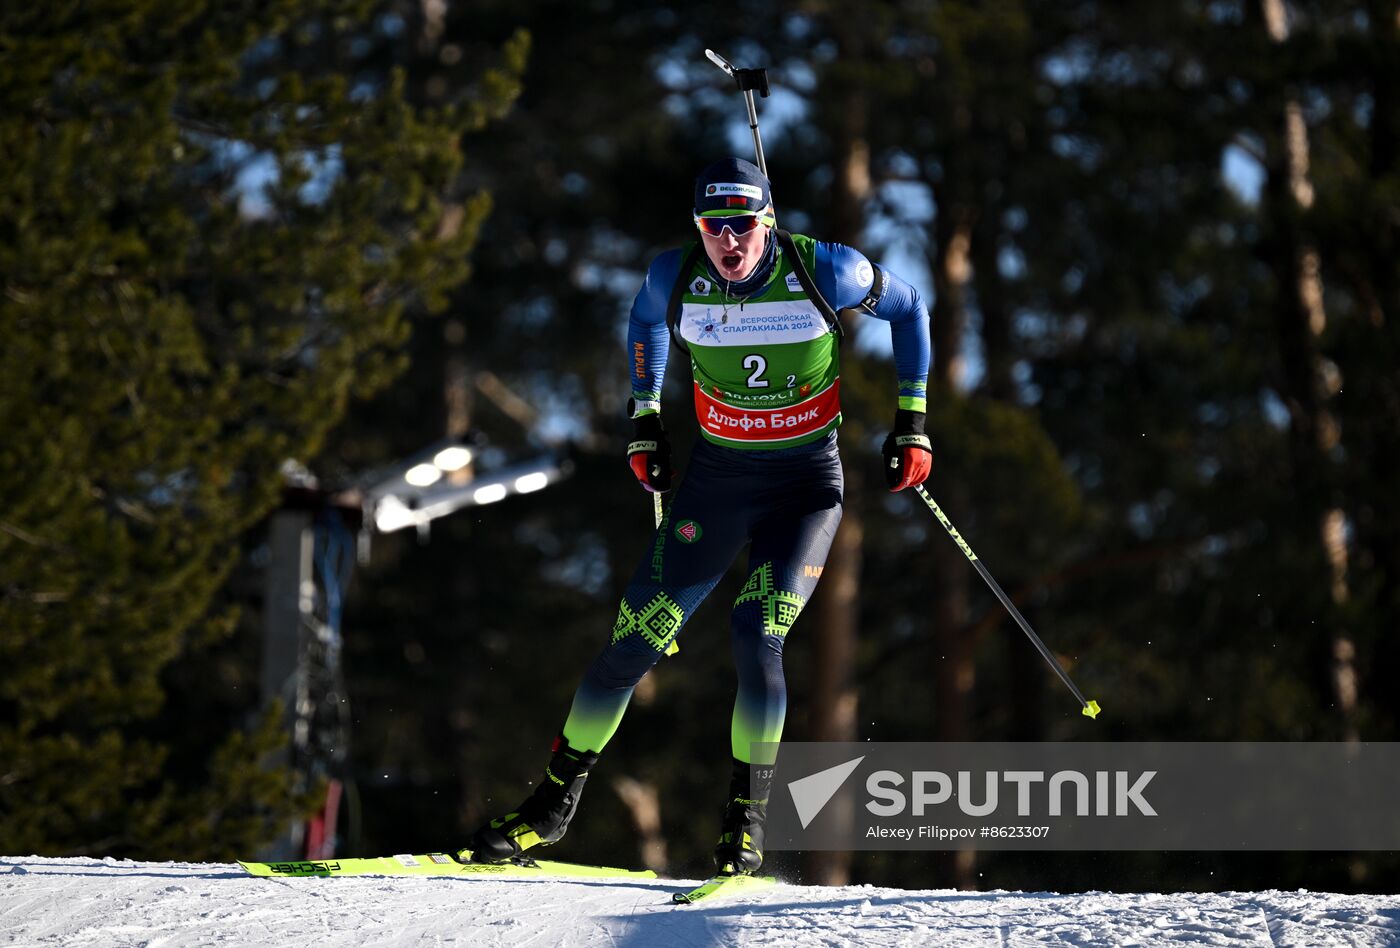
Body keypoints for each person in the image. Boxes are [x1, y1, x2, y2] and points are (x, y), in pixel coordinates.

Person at [459, 157, 931, 874]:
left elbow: (911, 309)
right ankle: (550, 809)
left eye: (742, 226)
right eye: (714, 228)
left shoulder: (826, 271)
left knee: (756, 632)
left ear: (767, 223)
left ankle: (747, 825)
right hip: (717, 482)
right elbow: (645, 322)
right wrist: (644, 419)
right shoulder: (672, 277)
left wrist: (913, 421)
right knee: (632, 641)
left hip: (804, 487)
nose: (728, 242)